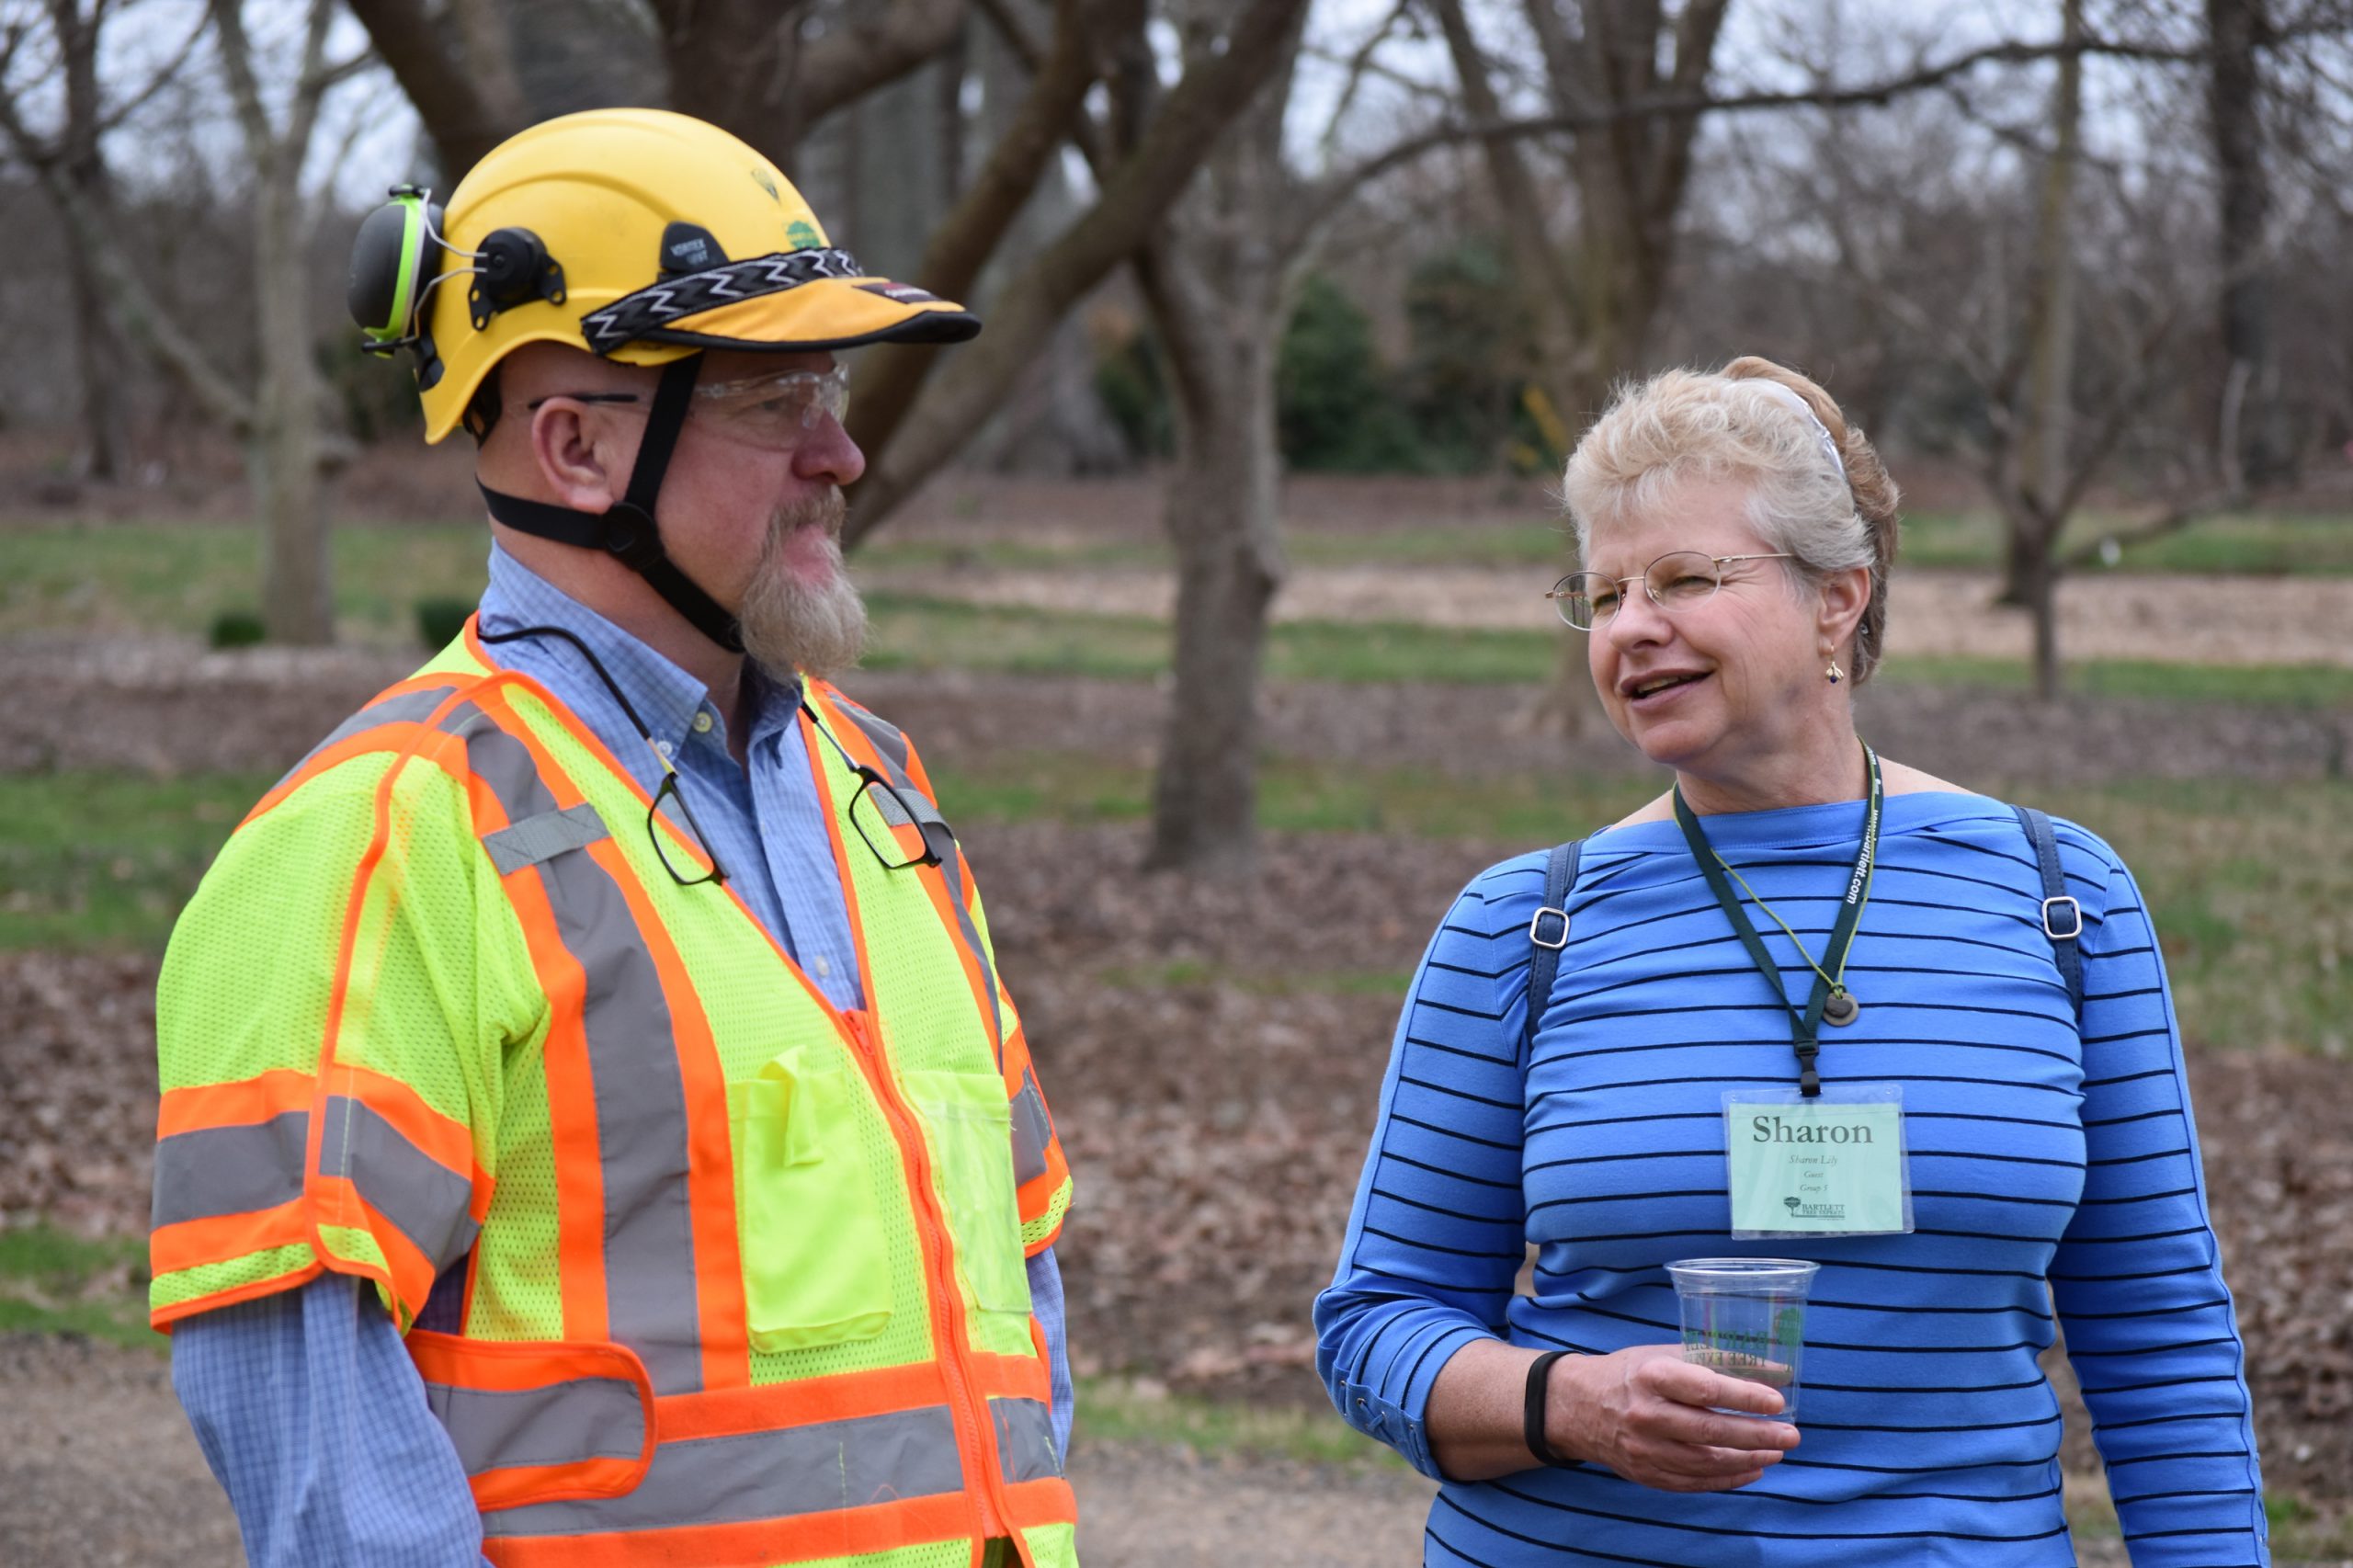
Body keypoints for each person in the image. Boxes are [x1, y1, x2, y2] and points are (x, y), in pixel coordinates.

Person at [150, 108, 1079, 1568]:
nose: (841, 453)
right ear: (576, 447)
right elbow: (327, 1465)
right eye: (773, 401)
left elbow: (1014, 1286)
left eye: (832, 391)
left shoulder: (878, 786)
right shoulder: (388, 834)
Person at [1314, 358, 2267, 1565]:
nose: (1631, 626)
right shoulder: (1524, 928)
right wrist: (1572, 1403)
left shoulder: (2059, 899)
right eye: (1602, 594)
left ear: (1838, 601)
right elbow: (1376, 1323)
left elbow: (2160, 1334)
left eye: (1684, 579)